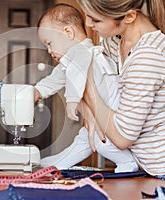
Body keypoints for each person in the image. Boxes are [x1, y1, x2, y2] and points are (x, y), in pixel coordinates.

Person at [76, 0, 165, 187]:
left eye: (96, 20)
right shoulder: (117, 41)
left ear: (129, 16)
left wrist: (87, 91)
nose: (88, 24)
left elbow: (122, 136)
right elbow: (84, 68)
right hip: (150, 167)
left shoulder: (148, 56)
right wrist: (88, 110)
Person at [35, 3, 138, 172]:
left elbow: (77, 76)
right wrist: (38, 91)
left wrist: (72, 101)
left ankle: (128, 162)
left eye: (49, 43)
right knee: (84, 139)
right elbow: (56, 78)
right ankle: (60, 163)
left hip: (113, 114)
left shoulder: (83, 51)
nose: (49, 50)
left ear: (68, 32)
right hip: (102, 114)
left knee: (100, 142)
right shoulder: (71, 60)